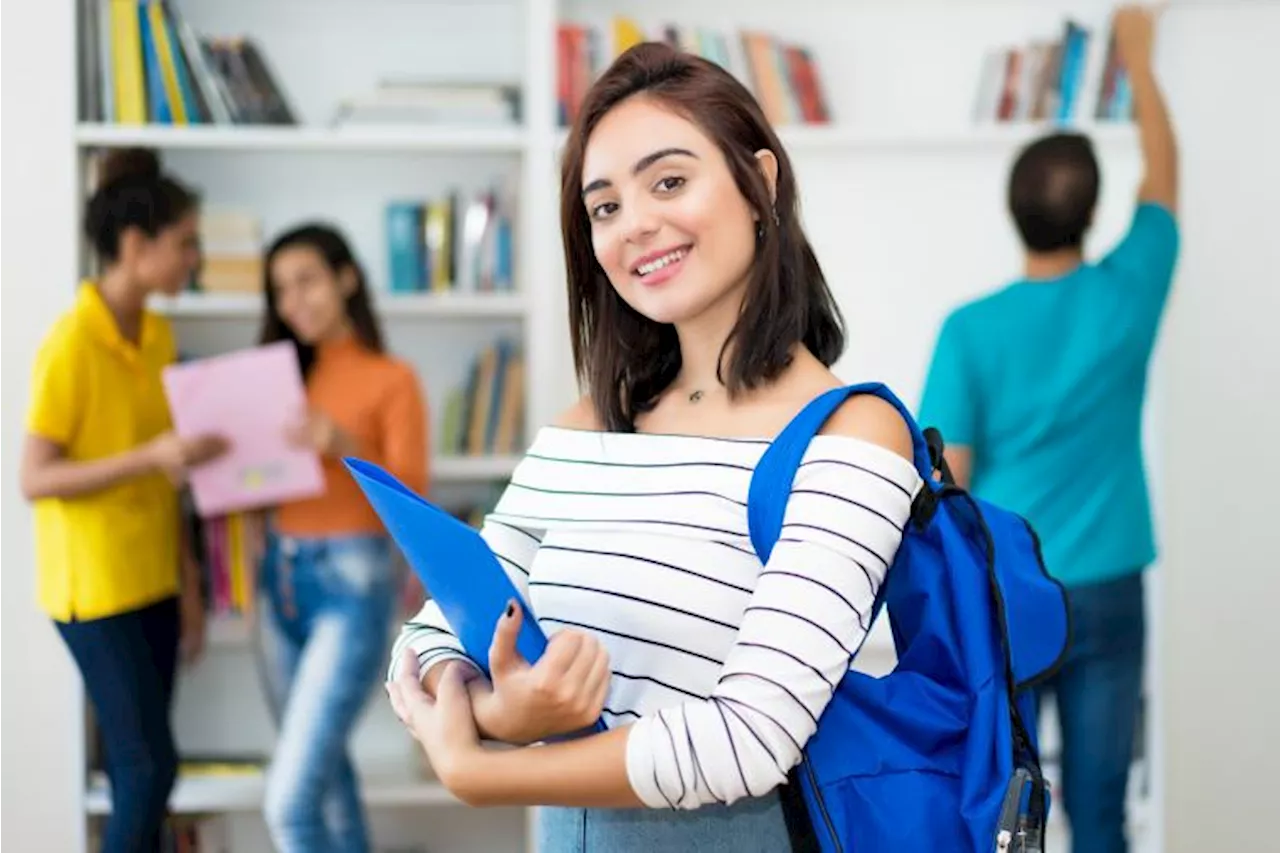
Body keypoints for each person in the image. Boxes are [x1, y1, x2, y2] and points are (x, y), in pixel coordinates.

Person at [383, 42, 924, 851]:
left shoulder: (853, 434)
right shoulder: (588, 425)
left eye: (669, 181)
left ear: (760, 185)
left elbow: (749, 738)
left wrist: (480, 767)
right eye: (604, 207)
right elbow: (429, 635)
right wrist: (501, 710)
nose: (635, 224)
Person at [916, 8, 1177, 853]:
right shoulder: (1127, 292)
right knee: (1101, 807)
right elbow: (1167, 176)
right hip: (1109, 588)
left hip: (1012, 594)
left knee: (1005, 807)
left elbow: (946, 483)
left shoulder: (970, 329)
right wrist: (1139, 61)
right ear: (1091, 211)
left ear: (1012, 209)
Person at [19, 147, 228, 852]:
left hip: (154, 580)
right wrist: (148, 456)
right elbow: (33, 477)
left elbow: (170, 476)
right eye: (185, 244)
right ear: (136, 246)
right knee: (148, 767)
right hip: (94, 587)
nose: (192, 260)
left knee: (138, 766)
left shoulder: (161, 333)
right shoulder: (70, 345)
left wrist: (191, 584)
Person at [252, 223, 428, 853]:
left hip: (354, 581)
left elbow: (412, 493)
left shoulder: (391, 377)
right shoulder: (277, 380)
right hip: (277, 576)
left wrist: (343, 444)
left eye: (307, 281)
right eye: (280, 289)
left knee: (290, 801)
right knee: (325, 782)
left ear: (345, 279)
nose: (293, 300)